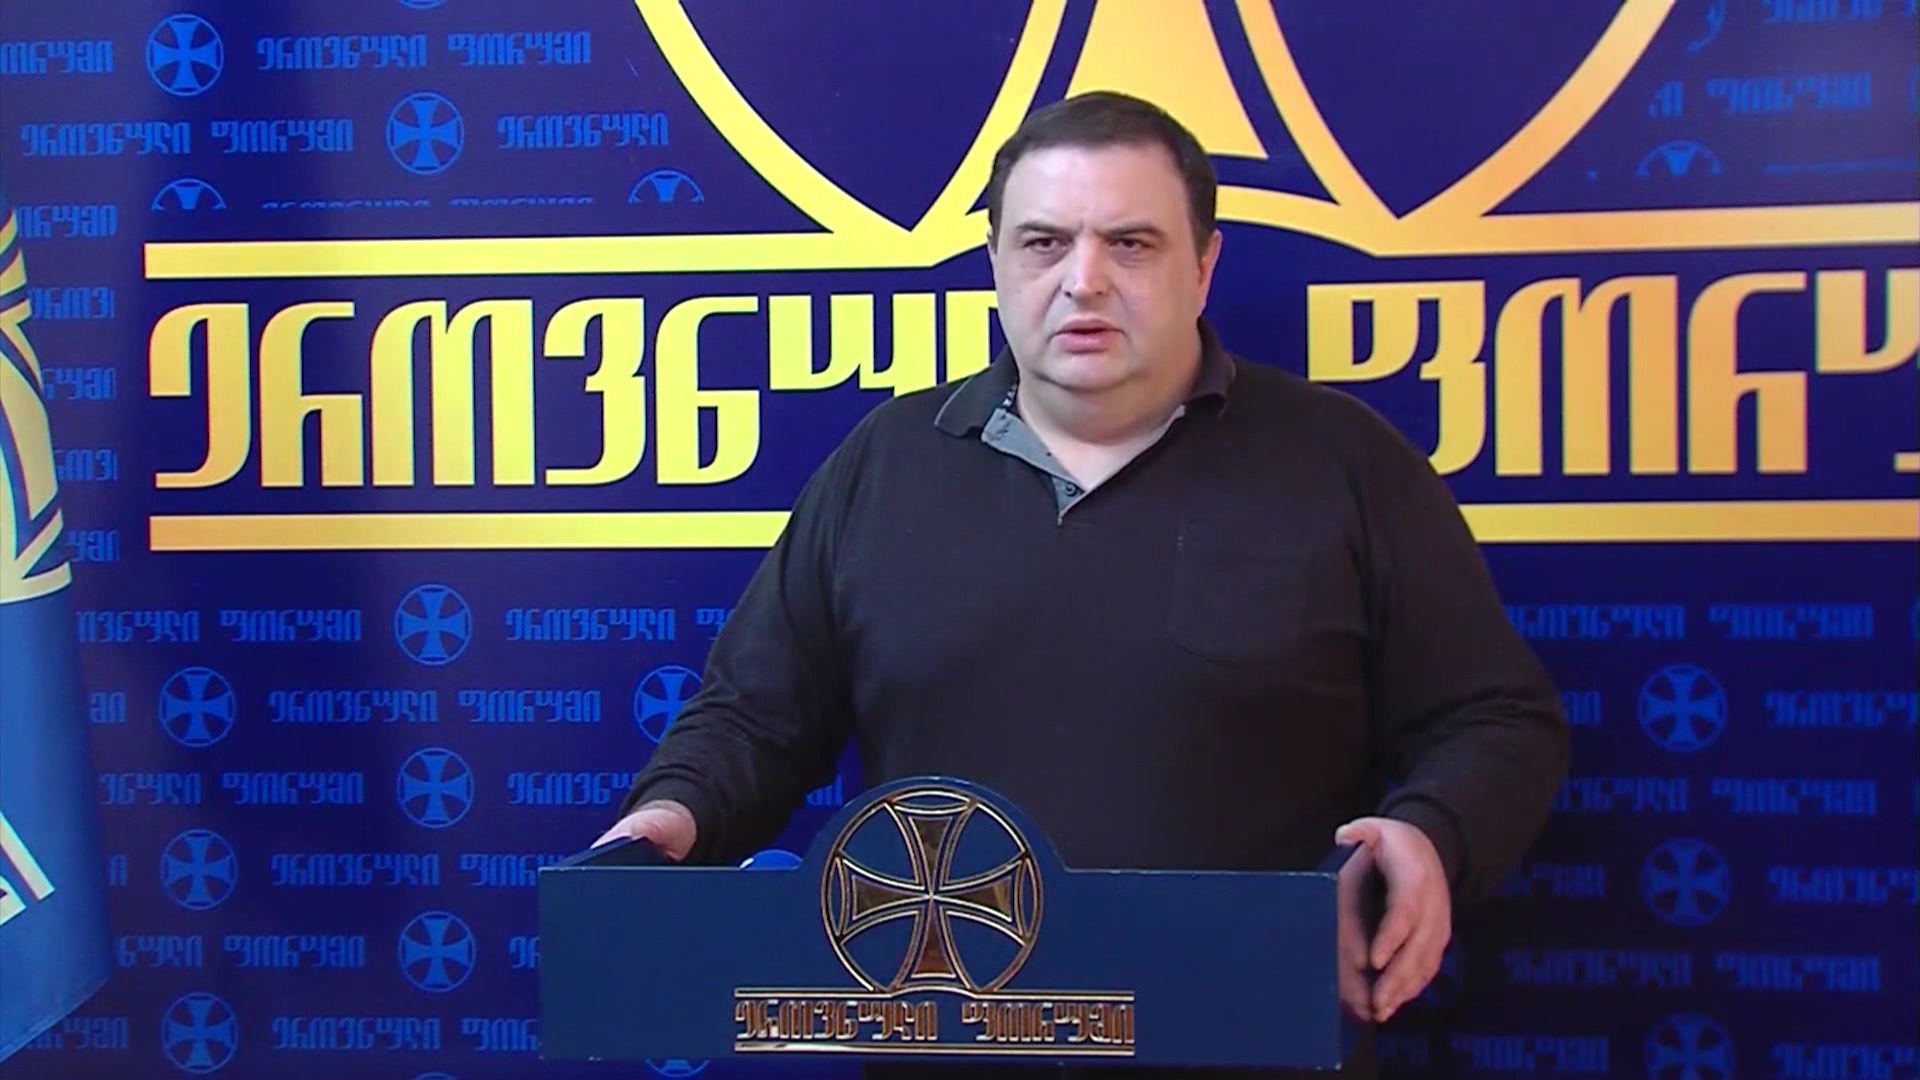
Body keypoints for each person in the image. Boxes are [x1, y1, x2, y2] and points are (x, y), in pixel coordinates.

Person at [596, 90, 1569, 1079]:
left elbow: (1496, 721)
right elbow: (754, 718)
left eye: (1131, 244)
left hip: (1253, 1045)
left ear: (1204, 266)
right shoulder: (884, 465)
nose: (1084, 280)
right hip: (947, 1052)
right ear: (996, 262)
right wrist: (671, 816)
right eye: (1044, 243)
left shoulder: (1347, 464)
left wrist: (1432, 836)